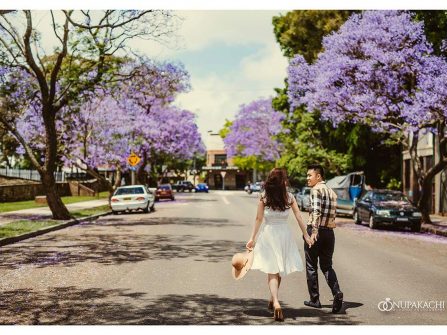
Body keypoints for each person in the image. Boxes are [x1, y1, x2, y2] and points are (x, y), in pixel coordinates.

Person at [246, 168, 313, 322]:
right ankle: (274, 298)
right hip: (284, 235)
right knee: (279, 269)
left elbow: (258, 218)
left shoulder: (264, 197)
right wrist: (306, 235)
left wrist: (252, 238)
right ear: (283, 181)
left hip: (269, 235)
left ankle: (274, 300)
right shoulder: (289, 197)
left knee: (272, 270)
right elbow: (298, 217)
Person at [304, 164, 344, 313]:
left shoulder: (315, 190)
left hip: (316, 231)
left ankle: (315, 300)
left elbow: (316, 211)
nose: (307, 178)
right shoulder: (332, 193)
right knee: (327, 266)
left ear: (318, 176)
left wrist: (314, 232)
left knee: (311, 265)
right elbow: (333, 215)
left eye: (310, 175)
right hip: (329, 233)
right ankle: (337, 292)